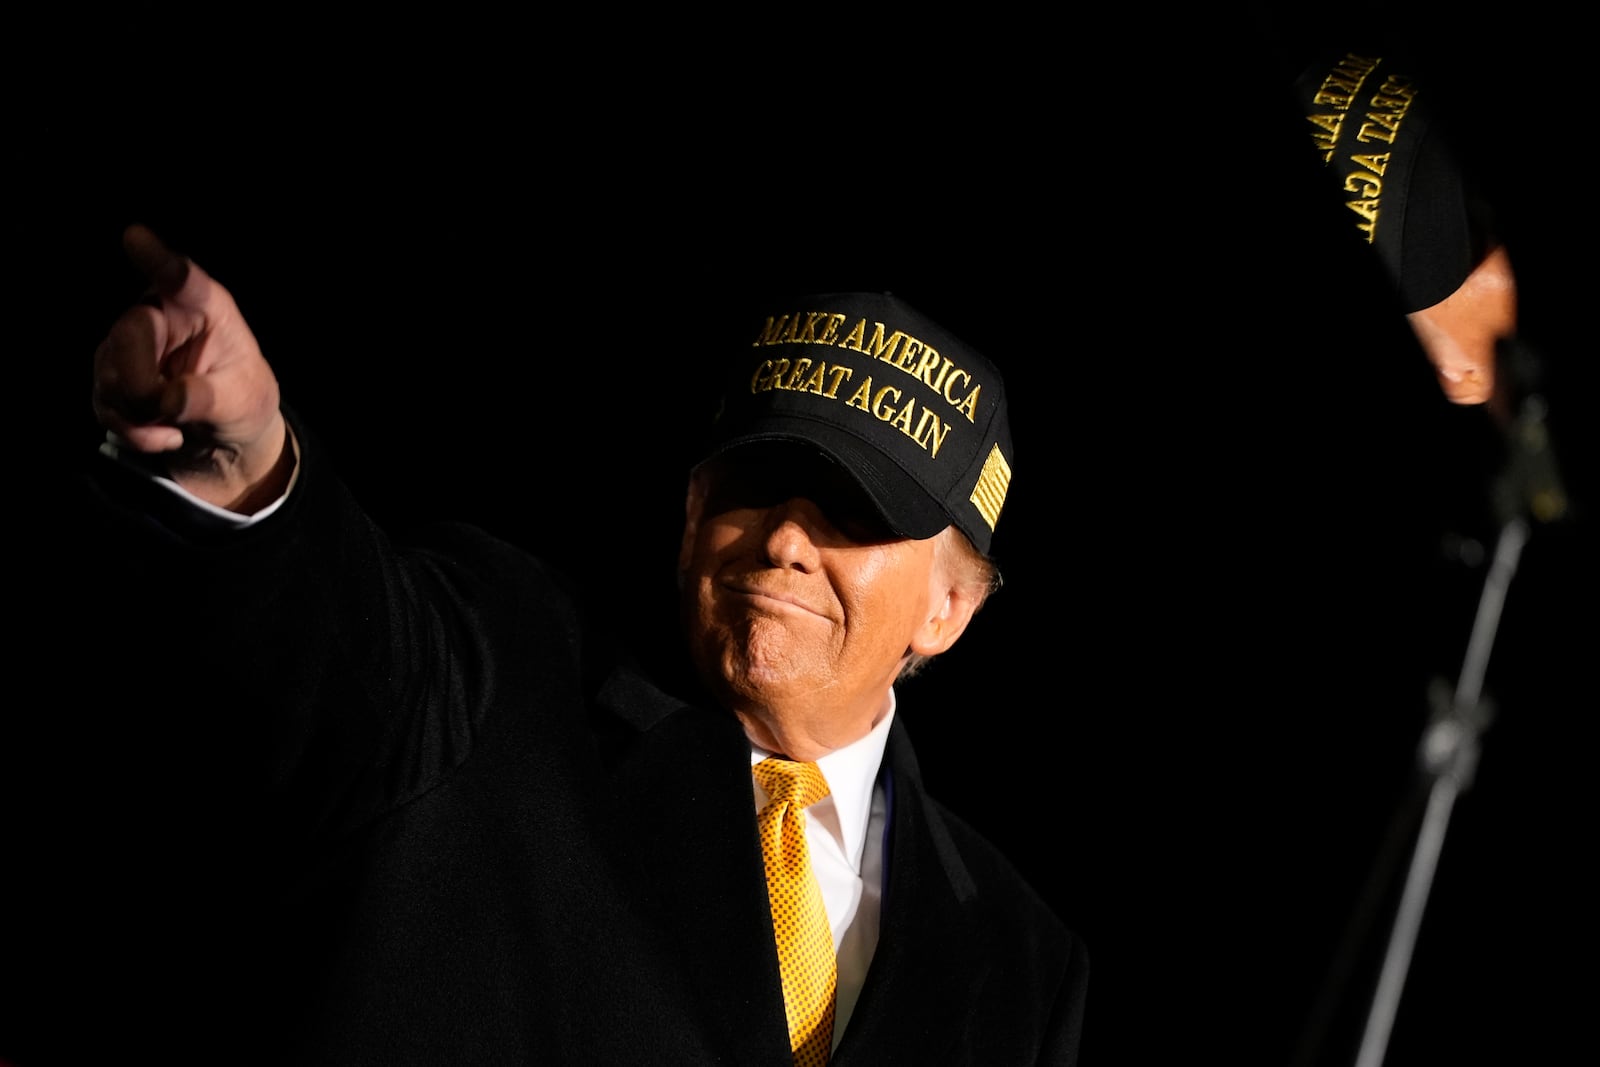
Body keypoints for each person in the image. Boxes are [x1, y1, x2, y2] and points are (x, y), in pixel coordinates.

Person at [45, 225, 1087, 1066]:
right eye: (754, 487)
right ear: (689, 516)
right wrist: (248, 465)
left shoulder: (1018, 957)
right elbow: (333, 631)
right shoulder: (498, 665)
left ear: (947, 607)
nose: (781, 540)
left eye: (853, 515)